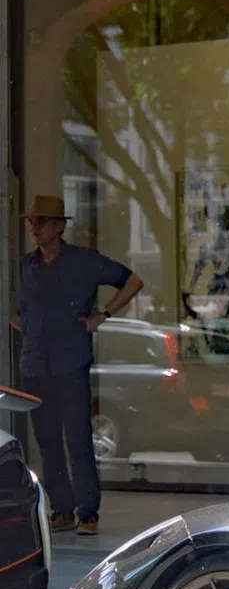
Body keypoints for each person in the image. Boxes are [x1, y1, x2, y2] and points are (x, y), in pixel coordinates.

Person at [10, 195, 141, 535]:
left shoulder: (83, 261)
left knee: (78, 437)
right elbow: (17, 306)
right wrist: (21, 323)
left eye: (41, 221)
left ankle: (88, 512)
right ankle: (62, 510)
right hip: (36, 364)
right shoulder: (27, 265)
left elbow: (132, 281)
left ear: (59, 226)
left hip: (70, 361)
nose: (34, 227)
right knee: (48, 440)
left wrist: (103, 315)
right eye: (31, 221)